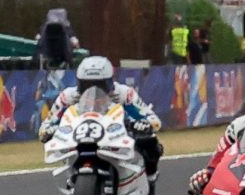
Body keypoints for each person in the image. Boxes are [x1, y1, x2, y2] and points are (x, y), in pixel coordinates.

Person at [44, 53, 166, 185]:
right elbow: (45, 127)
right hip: (80, 139)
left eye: (100, 85)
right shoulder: (67, 97)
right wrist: (51, 130)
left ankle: (150, 180)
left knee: (150, 140)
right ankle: (74, 180)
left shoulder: (124, 94)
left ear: (110, 82)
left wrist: (140, 124)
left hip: (116, 136)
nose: (93, 91)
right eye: (87, 85)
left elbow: (154, 121)